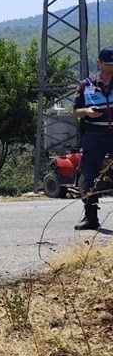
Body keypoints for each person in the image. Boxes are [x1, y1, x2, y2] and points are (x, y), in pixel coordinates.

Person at [72, 46, 113, 230]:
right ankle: (91, 218)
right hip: (94, 136)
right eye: (108, 64)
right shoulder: (85, 85)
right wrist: (87, 111)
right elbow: (75, 111)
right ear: (99, 63)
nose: (111, 67)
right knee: (90, 175)